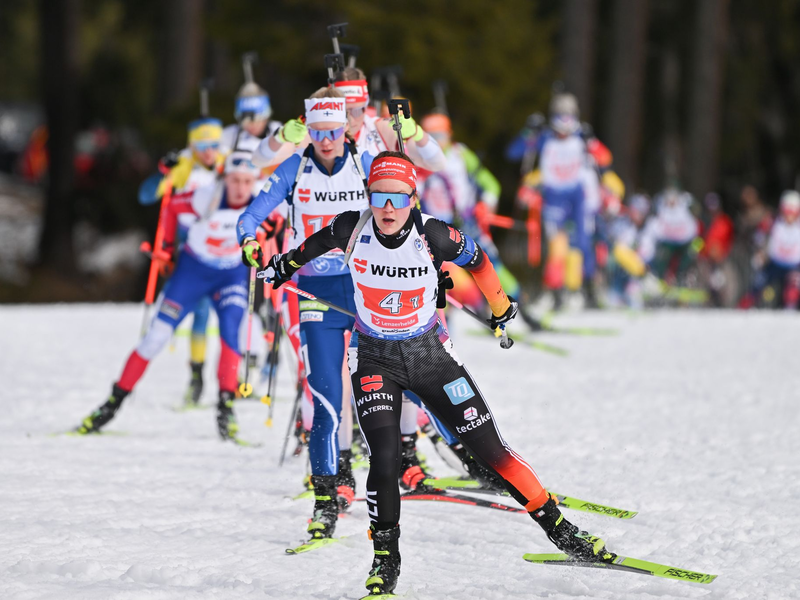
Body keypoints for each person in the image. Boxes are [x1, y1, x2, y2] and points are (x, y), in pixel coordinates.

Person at [259, 151, 615, 597]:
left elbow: (480, 261)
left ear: (412, 198)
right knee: (385, 459)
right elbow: (313, 245)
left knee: (492, 450)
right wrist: (283, 265)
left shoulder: (434, 234)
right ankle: (385, 560)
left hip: (430, 355)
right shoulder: (352, 226)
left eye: (397, 198)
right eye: (379, 196)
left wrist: (502, 308)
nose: (387, 208)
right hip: (373, 357)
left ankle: (563, 532)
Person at [238, 88, 374, 538]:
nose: (327, 138)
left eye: (334, 129)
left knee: (374, 391)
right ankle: (324, 498)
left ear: (346, 126)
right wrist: (251, 243)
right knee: (325, 398)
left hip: (363, 292)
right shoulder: (295, 168)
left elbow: (406, 210)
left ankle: (383, 474)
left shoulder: (366, 162)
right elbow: (249, 217)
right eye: (317, 131)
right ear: (308, 129)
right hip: (314, 293)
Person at [74, 152, 261, 440]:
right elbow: (172, 206)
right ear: (225, 179)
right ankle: (111, 404)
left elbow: (281, 226)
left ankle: (226, 409)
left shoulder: (262, 199)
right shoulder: (207, 196)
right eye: (235, 180)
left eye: (247, 181)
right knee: (155, 338)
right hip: (193, 271)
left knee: (230, 334)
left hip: (231, 274)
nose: (240, 188)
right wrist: (167, 248)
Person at [137, 117, 226, 405]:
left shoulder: (228, 164)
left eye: (213, 145)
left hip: (227, 248)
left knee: (234, 315)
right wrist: (163, 172)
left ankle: (238, 375)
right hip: (191, 248)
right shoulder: (185, 167)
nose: (208, 152)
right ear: (192, 145)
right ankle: (197, 374)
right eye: (202, 146)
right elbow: (146, 196)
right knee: (199, 311)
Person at [751, 190, 800, 308]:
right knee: (757, 285)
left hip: (795, 266)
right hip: (774, 264)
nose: (789, 216)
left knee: (792, 290)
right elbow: (758, 237)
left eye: (792, 212)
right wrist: (760, 252)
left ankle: (789, 311)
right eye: (786, 211)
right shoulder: (773, 221)